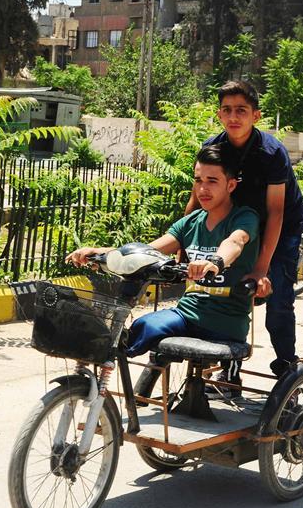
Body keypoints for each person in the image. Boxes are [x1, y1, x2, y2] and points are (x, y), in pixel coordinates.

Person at [66, 145, 259, 365]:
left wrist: (215, 261)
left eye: (212, 181)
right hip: (185, 315)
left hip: (225, 323)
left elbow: (236, 241)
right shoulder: (191, 222)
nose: (203, 189)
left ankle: (226, 377)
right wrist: (99, 252)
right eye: (198, 180)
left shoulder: (244, 217)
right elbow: (148, 251)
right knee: (141, 328)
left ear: (231, 185)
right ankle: (106, 388)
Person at [191, 80, 303, 381]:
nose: (233, 117)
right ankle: (231, 371)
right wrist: (185, 242)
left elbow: (276, 212)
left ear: (255, 116)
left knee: (277, 297)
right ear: (219, 114)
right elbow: (199, 194)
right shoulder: (213, 147)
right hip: (240, 225)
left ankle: (287, 368)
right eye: (227, 110)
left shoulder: (271, 153)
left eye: (241, 110)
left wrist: (261, 269)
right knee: (229, 292)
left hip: (281, 227)